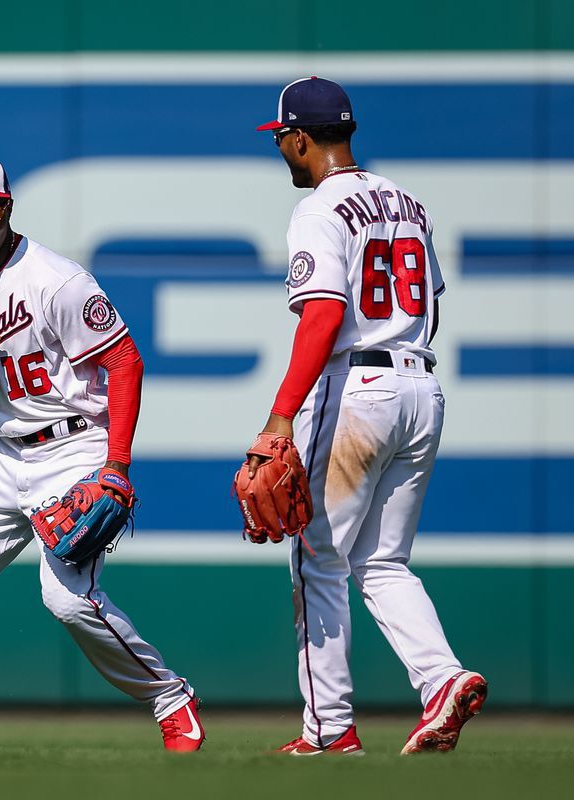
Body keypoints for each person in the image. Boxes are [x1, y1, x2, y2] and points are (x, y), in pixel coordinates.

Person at [0, 155, 203, 753]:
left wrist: (116, 466)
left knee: (67, 601)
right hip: (3, 456)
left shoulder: (54, 278)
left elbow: (125, 361)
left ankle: (171, 699)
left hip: (75, 446)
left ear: (9, 206)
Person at [248, 77, 486, 755]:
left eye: (283, 140)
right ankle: (443, 680)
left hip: (358, 389)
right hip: (420, 385)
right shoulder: (409, 203)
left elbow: (323, 314)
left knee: (316, 559)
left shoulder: (321, 209)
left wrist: (278, 419)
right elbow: (431, 304)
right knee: (382, 561)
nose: (282, 152)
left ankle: (327, 731)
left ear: (300, 138)